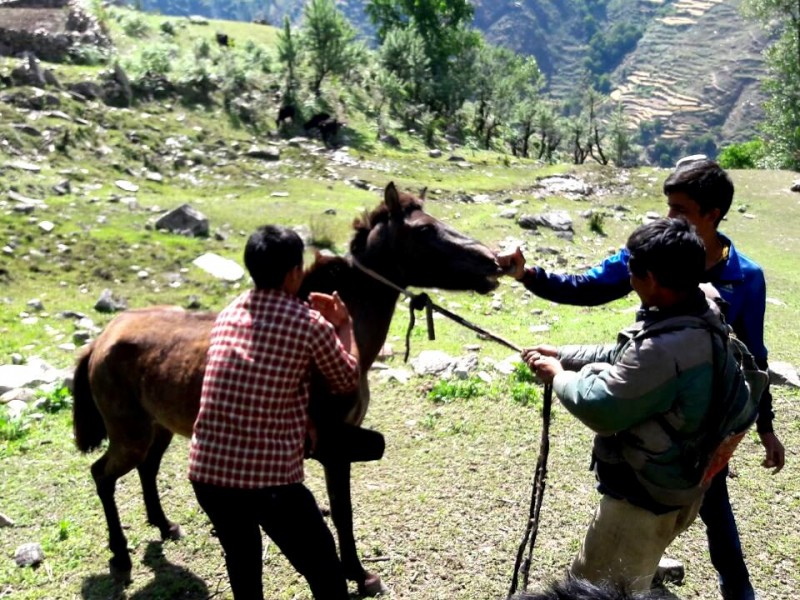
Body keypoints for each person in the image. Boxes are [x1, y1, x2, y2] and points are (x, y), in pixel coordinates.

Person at [500, 157, 784, 600]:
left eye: (680, 209)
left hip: (680, 452)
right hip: (677, 442)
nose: (669, 216)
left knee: (624, 561)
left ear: (713, 214)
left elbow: (606, 402)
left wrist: (558, 374)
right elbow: (594, 296)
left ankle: (734, 589)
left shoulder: (739, 279)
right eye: (667, 206)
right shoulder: (685, 281)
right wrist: (531, 279)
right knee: (687, 503)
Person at [521, 217, 749, 593]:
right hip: (681, 487)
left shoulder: (664, 349)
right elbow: (627, 353)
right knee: (633, 579)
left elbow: (602, 405)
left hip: (640, 503)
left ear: (652, 279)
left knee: (598, 588)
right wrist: (564, 354)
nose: (629, 280)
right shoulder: (699, 314)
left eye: (632, 272)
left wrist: (558, 376)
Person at [188, 225, 361, 600]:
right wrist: (344, 325)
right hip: (269, 484)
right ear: (295, 274)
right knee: (325, 571)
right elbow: (347, 379)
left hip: (207, 475)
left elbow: (251, 379)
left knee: (243, 560)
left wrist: (304, 417)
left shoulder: (230, 313)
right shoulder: (308, 322)